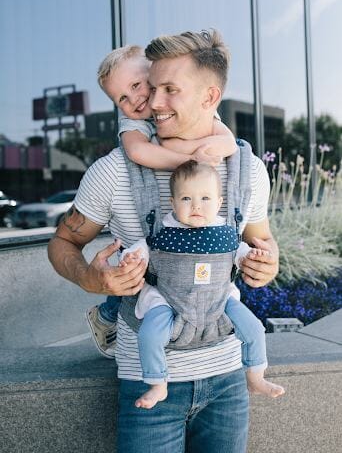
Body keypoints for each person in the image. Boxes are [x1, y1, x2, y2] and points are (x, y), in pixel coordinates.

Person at [48, 29, 279, 453]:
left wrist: (268, 261)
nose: (151, 103)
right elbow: (62, 242)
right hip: (148, 384)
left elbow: (261, 237)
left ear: (210, 97)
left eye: (168, 90)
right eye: (150, 88)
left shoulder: (248, 169)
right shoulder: (114, 171)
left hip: (229, 379)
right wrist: (91, 278)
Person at [85, 43, 237, 357]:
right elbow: (139, 152)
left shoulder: (187, 108)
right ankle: (106, 317)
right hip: (148, 258)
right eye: (122, 98)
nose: (138, 99)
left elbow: (227, 142)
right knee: (138, 269)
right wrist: (189, 159)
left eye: (139, 85)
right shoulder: (134, 125)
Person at [116, 160, 284, 409]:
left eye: (205, 198)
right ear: (172, 203)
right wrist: (128, 257)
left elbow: (243, 254)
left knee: (255, 329)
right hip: (168, 300)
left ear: (219, 202)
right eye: (186, 199)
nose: (196, 205)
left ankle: (256, 376)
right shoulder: (162, 233)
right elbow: (139, 250)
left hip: (219, 299)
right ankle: (158, 384)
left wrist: (255, 257)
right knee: (150, 335)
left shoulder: (226, 233)